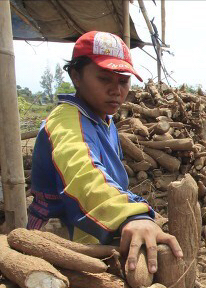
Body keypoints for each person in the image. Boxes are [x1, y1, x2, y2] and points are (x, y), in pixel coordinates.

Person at [27, 31, 182, 274]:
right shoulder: (67, 121)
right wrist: (131, 216)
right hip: (60, 236)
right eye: (104, 79)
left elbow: (108, 179)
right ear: (76, 76)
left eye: (123, 82)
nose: (116, 91)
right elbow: (84, 176)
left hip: (95, 224)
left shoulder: (104, 120)